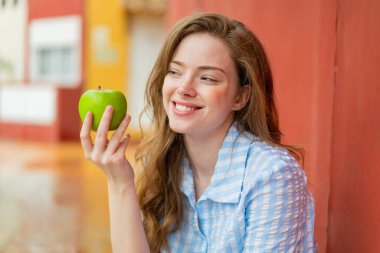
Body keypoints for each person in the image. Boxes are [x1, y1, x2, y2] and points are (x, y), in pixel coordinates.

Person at [80, 12, 317, 253]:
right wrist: (119, 182)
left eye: (207, 77)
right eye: (175, 72)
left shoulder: (271, 175)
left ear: (240, 96)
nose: (183, 88)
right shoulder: (162, 162)